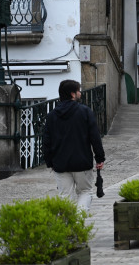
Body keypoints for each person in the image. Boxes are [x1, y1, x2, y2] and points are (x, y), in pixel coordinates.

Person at [43, 79, 105, 211]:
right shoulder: (85, 112)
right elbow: (95, 137)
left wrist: (50, 162)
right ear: (72, 94)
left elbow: (46, 141)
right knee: (85, 192)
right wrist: (100, 158)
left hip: (60, 163)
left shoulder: (51, 116)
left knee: (64, 195)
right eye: (78, 91)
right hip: (82, 161)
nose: (80, 94)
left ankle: (67, 227)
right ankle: (78, 222)